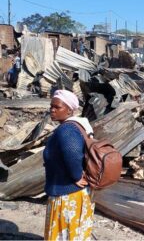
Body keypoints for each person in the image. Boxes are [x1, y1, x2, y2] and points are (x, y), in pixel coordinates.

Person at [43, 90, 95, 240]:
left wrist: (77, 176)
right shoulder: (79, 125)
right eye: (51, 106)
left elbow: (72, 153)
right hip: (72, 192)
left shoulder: (67, 129)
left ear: (70, 110)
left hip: (67, 194)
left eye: (57, 107)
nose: (52, 110)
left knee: (64, 234)